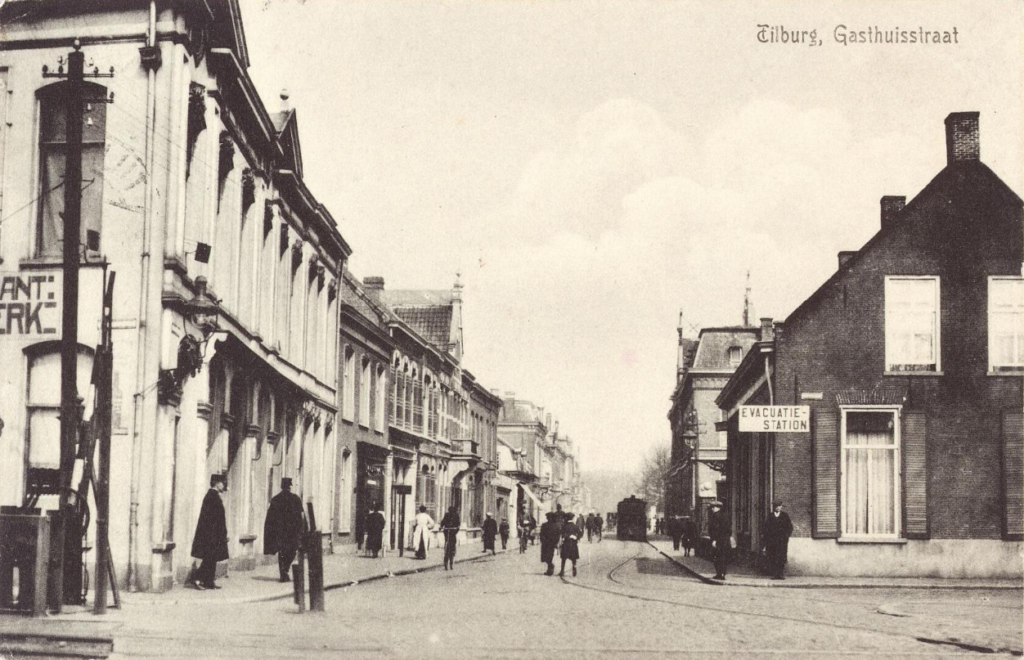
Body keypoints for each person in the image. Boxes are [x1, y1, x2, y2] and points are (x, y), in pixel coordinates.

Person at [263, 477, 305, 582]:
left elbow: (270, 518)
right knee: (292, 551)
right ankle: (285, 570)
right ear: (290, 487)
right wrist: (301, 530)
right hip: (292, 532)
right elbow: (301, 516)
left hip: (280, 531)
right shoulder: (295, 498)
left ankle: (283, 572)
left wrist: (270, 531)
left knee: (282, 551)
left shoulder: (276, 499)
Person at [190, 474, 228, 590]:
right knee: (209, 559)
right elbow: (213, 519)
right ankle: (196, 579)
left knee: (212, 559)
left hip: (214, 534)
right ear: (217, 483)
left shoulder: (213, 496)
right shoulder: (212, 496)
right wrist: (220, 533)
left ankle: (209, 581)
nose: (224, 485)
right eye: (222, 482)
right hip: (211, 535)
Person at [762, 500, 794, 580]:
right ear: (774, 507)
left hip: (782, 541)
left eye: (780, 506)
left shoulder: (785, 516)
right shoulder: (770, 516)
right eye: (777, 506)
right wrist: (767, 539)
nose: (778, 508)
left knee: (781, 556)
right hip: (772, 541)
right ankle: (775, 574)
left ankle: (780, 574)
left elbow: (790, 527)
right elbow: (766, 528)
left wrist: (786, 536)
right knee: (773, 556)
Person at [707, 501, 731, 580]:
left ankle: (719, 574)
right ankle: (723, 573)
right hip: (725, 540)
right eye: (712, 507)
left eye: (714, 507)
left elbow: (715, 529)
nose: (712, 509)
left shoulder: (716, 516)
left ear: (718, 508)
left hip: (719, 540)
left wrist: (714, 540)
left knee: (717, 557)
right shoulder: (725, 515)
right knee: (723, 557)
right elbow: (728, 529)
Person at [559, 513, 581, 577]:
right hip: (573, 544)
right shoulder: (575, 526)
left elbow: (562, 534)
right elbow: (579, 534)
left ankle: (562, 571)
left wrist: (565, 536)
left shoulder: (564, 526)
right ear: (572, 518)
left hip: (566, 543)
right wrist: (576, 538)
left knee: (564, 558)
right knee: (573, 558)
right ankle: (574, 568)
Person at [439, 506, 460, 570]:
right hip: (447, 532)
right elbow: (443, 521)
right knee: (447, 547)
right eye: (449, 511)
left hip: (453, 533)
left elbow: (458, 524)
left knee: (452, 548)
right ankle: (446, 563)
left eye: (451, 511)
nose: (450, 512)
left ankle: (451, 563)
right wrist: (441, 526)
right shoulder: (447, 515)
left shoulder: (456, 515)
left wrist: (456, 529)